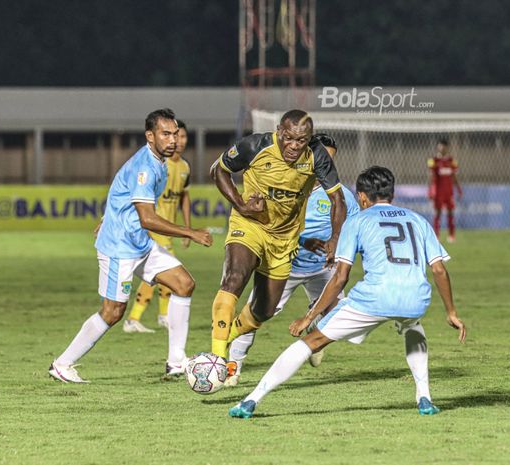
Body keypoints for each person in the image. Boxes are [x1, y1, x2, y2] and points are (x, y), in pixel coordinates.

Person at [229, 166, 466, 419]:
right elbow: (439, 271)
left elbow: (340, 277)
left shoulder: (358, 221)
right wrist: (451, 312)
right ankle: (424, 398)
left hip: (373, 299)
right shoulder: (418, 220)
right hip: (416, 298)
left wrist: (309, 318)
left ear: (362, 197)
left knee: (312, 341)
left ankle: (251, 400)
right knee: (412, 325)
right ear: (392, 193)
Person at [49, 109, 212, 383]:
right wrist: (190, 232)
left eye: (175, 134)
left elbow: (119, 187)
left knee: (184, 284)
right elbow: (147, 218)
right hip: (119, 248)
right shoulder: (146, 168)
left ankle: (175, 361)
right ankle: (62, 364)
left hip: (139, 243)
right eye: (165, 134)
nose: (172, 140)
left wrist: (107, 215)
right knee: (113, 312)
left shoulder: (159, 161)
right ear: (150, 136)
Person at [209, 110, 347, 374]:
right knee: (234, 277)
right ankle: (216, 360)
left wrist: (335, 239)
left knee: (264, 310)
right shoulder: (254, 145)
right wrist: (241, 204)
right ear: (279, 131)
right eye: (289, 138)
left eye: (302, 140)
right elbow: (219, 170)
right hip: (249, 225)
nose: (294, 146)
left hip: (284, 239)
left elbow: (337, 200)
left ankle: (225, 336)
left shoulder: (317, 156)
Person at [123, 119, 192, 333]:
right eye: (174, 136)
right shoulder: (158, 165)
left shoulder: (184, 167)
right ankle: (133, 319)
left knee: (165, 275)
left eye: (182, 136)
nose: (178, 141)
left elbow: (183, 197)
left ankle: (162, 316)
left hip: (169, 229)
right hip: (153, 228)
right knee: (162, 273)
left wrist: (187, 228)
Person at [428, 139, 462, 243]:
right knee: (437, 213)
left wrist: (459, 189)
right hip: (438, 193)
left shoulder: (452, 161)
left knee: (451, 213)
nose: (442, 148)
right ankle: (436, 236)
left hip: (449, 192)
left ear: (447, 147)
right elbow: (431, 177)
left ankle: (451, 236)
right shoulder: (433, 161)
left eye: (444, 146)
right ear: (438, 147)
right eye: (440, 146)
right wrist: (430, 190)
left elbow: (454, 177)